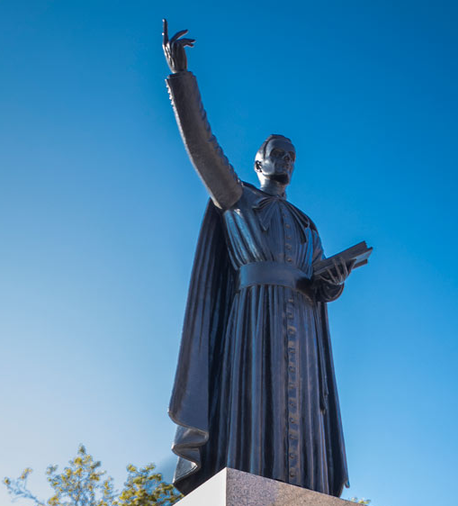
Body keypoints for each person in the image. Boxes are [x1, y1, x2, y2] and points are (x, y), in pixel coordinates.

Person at [163, 20, 353, 497]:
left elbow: (321, 279)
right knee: (252, 400)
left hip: (305, 327)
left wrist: (334, 280)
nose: (286, 159)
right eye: (277, 153)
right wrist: (182, 80)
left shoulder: (308, 225)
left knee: (303, 412)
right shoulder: (237, 199)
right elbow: (202, 147)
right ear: (258, 163)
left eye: (291, 155)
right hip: (252, 318)